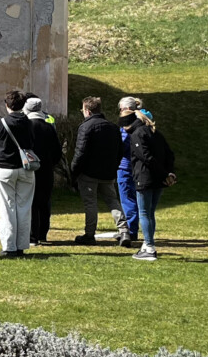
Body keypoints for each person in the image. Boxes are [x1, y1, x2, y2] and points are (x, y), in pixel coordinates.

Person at [0, 89, 37, 258]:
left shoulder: (1, 123)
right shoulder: (28, 122)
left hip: (5, 168)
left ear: (7, 104)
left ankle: (9, 246)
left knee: (8, 207)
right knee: (24, 207)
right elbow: (32, 142)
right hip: (25, 168)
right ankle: (22, 245)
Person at [124, 103, 176, 262]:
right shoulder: (157, 134)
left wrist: (165, 173)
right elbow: (170, 155)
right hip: (158, 179)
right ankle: (147, 246)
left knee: (145, 213)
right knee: (150, 212)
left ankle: (150, 246)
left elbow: (145, 157)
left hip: (146, 178)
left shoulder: (138, 134)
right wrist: (168, 173)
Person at [68, 96, 123, 245]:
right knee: (112, 200)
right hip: (108, 172)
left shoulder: (85, 127)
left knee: (90, 203)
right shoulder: (113, 127)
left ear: (87, 110)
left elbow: (80, 153)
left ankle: (89, 234)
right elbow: (120, 151)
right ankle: (124, 231)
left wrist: (73, 172)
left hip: (89, 173)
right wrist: (114, 166)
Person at [24, 97, 63, 247]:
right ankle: (43, 233)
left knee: (32, 202)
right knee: (44, 202)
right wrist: (50, 163)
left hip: (30, 169)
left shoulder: (27, 126)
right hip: (47, 169)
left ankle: (33, 235)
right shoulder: (49, 127)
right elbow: (57, 151)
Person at [113, 96, 141, 248]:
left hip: (125, 166)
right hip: (138, 167)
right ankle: (133, 228)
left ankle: (131, 230)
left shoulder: (127, 126)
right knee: (136, 199)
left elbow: (123, 144)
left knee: (127, 198)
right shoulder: (144, 122)